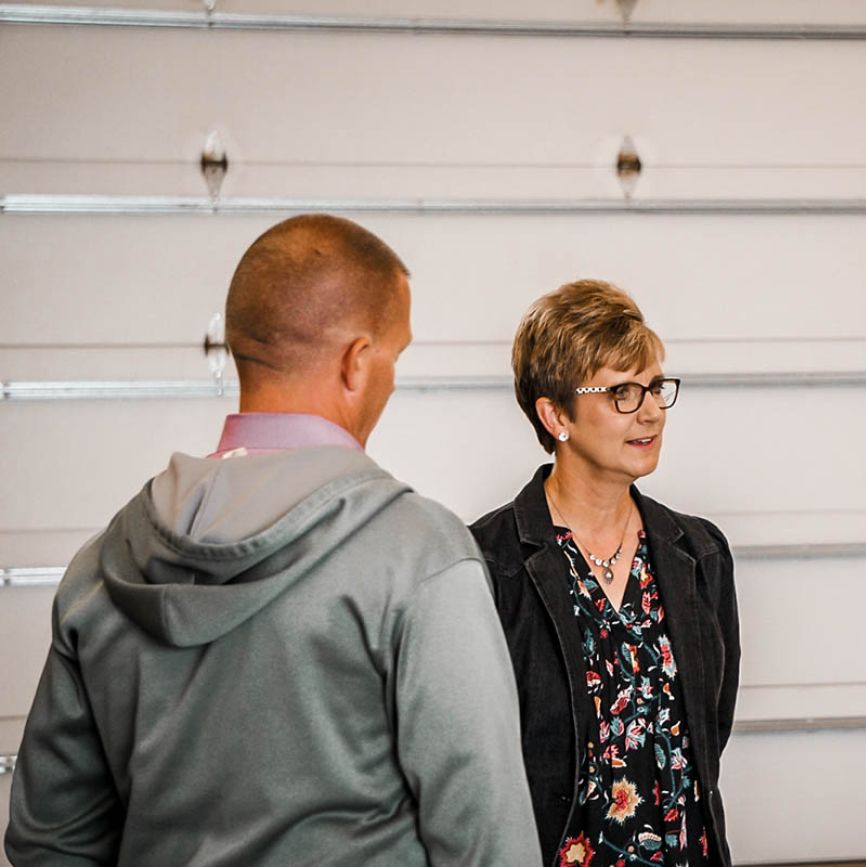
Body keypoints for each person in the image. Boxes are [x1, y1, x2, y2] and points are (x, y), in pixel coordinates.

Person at [5, 214, 541, 866]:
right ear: (357, 363)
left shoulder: (101, 567)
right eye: (395, 357)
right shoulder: (419, 558)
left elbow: (49, 843)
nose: (393, 379)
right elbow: (488, 844)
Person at [470, 280, 740, 866]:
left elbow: (708, 731)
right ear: (555, 413)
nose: (649, 411)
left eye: (654, 387)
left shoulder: (700, 553)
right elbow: (476, 764)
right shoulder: (488, 566)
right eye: (621, 392)